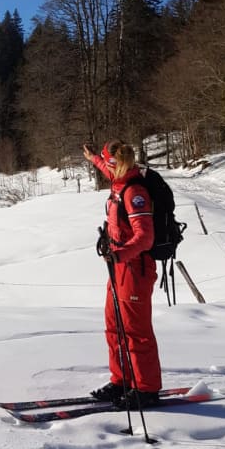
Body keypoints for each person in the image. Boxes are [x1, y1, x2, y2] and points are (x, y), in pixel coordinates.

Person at [82, 139, 162, 409]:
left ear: (117, 164)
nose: (105, 166)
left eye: (107, 161)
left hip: (135, 268)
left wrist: (120, 254)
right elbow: (106, 168)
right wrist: (93, 158)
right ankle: (122, 380)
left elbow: (145, 237)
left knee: (136, 332)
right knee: (114, 327)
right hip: (117, 266)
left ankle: (147, 389)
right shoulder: (120, 181)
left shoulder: (134, 191)